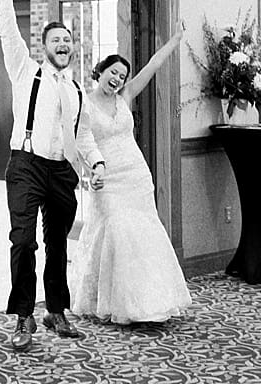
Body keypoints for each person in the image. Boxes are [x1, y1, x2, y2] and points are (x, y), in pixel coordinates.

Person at [0, 0, 107, 351]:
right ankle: (24, 316)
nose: (63, 44)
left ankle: (55, 310)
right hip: (26, 165)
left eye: (68, 40)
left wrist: (97, 163)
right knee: (23, 242)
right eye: (56, 39)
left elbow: (85, 134)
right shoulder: (26, 72)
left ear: (72, 47)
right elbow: (9, 34)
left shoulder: (77, 90)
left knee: (59, 242)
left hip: (61, 171)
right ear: (45, 47)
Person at [68, 28, 193, 324]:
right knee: (114, 230)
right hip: (107, 177)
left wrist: (173, 41)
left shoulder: (125, 96)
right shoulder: (83, 103)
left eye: (122, 76)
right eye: (113, 72)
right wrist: (89, 173)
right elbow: (80, 141)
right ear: (100, 72)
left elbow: (152, 65)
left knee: (142, 234)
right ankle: (108, 299)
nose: (118, 79)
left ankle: (148, 300)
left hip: (136, 175)